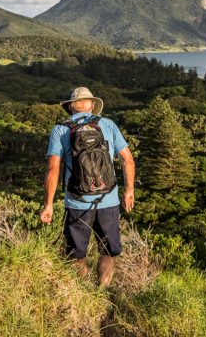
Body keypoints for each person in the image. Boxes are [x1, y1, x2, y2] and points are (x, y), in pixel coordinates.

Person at [40, 86, 135, 286]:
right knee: (109, 251)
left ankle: (84, 290)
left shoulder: (60, 130)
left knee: (76, 254)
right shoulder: (108, 125)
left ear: (71, 107)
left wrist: (48, 205)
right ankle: (102, 288)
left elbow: (53, 171)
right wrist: (128, 192)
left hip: (76, 202)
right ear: (92, 105)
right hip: (108, 199)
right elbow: (128, 160)